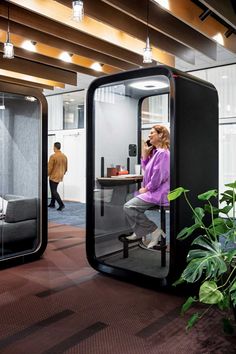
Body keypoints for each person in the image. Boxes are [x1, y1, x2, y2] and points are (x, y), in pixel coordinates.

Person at [123, 124, 170, 249]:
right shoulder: (155, 152)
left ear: (161, 135)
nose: (149, 135)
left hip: (159, 192)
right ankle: (140, 232)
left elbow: (159, 176)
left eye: (152, 133)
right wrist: (145, 155)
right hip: (154, 190)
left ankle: (154, 230)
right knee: (128, 198)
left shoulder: (163, 153)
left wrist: (147, 188)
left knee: (129, 206)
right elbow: (146, 170)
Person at [48, 142, 68, 211]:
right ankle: (52, 203)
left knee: (53, 191)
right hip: (60, 175)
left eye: (53, 147)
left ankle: (61, 204)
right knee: (54, 190)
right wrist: (63, 173)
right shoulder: (64, 156)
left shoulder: (53, 156)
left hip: (53, 176)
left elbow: (49, 168)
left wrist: (46, 174)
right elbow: (66, 167)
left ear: (55, 147)